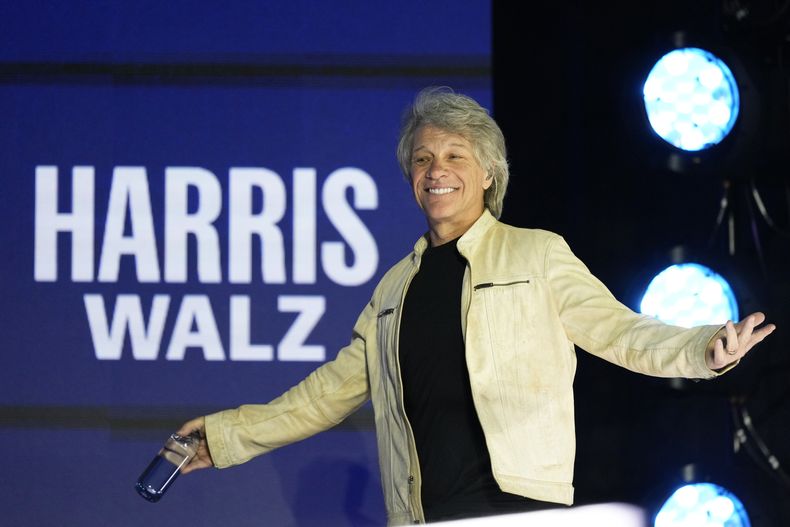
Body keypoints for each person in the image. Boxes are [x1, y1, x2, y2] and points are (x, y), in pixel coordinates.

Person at [177, 87, 776, 525]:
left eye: (455, 155)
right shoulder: (393, 290)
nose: (436, 170)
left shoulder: (535, 254)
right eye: (422, 159)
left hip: (515, 508)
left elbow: (620, 331)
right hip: (421, 515)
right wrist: (228, 436)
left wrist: (703, 348)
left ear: (489, 173)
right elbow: (325, 394)